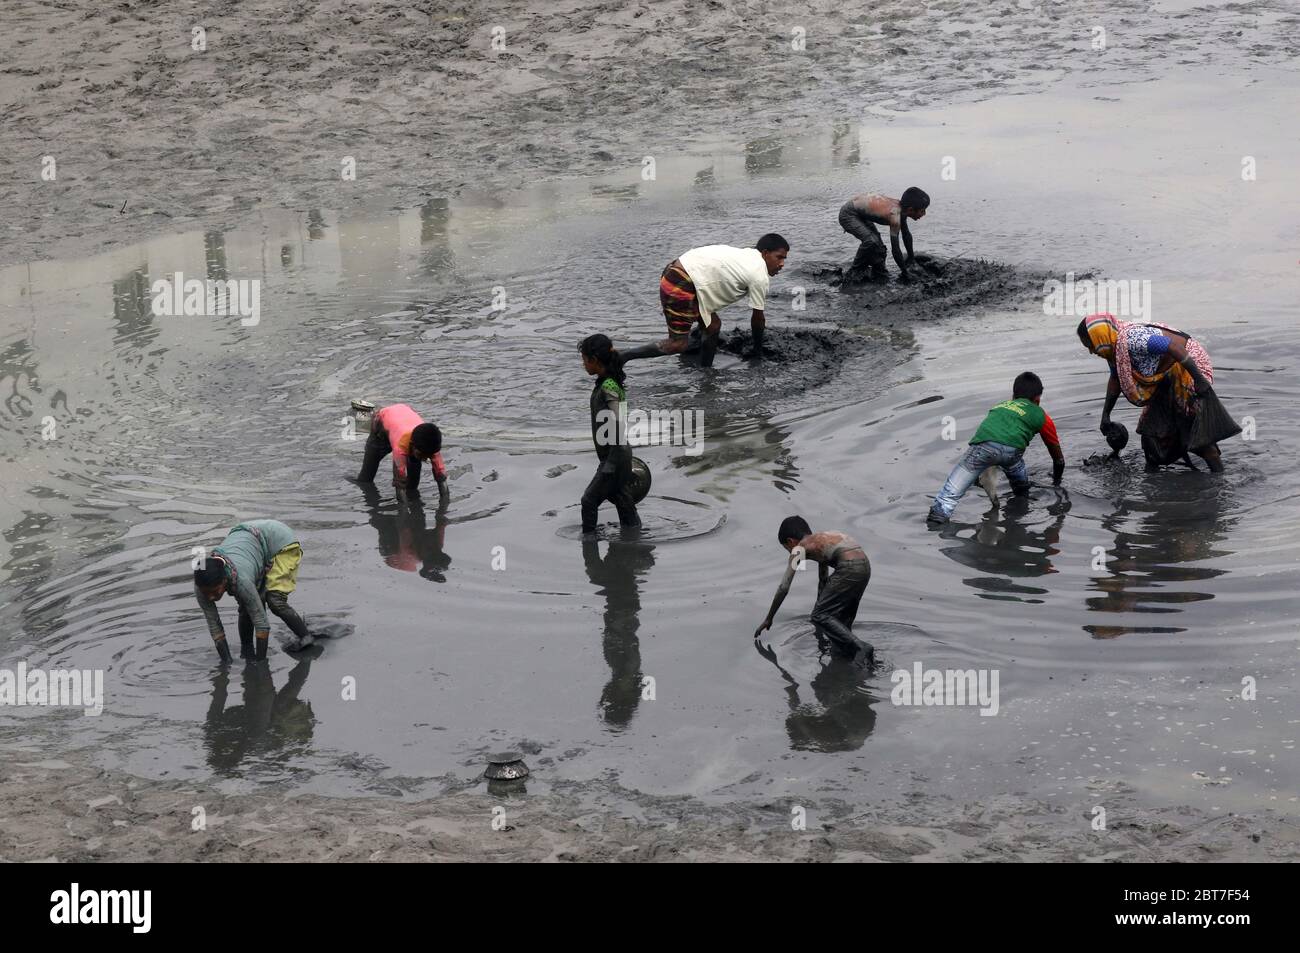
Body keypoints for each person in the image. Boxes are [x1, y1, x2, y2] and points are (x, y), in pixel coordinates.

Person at [1077, 313, 1226, 472]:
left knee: (1191, 429)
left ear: (1099, 336)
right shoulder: (1114, 349)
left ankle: (1218, 480)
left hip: (1187, 369)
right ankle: (1153, 483)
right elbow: (1115, 379)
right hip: (1165, 379)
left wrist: (1199, 380)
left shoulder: (1133, 338)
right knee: (1150, 435)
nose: (1091, 351)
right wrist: (1105, 415)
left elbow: (1174, 347)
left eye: (1090, 345)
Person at [620, 234, 789, 367]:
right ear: (765, 253)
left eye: (784, 259)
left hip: (677, 270)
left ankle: (706, 371)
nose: (781, 264)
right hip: (681, 281)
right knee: (678, 344)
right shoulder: (759, 275)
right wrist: (757, 352)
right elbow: (758, 320)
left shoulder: (747, 255)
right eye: (778, 257)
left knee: (712, 326)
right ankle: (624, 355)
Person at [927, 372, 1065, 524]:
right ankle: (1021, 498)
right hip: (1013, 454)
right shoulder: (1042, 416)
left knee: (948, 496)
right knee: (1020, 482)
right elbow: (1058, 459)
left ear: (1013, 395)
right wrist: (1056, 482)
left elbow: (990, 432)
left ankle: (936, 523)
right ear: (1038, 400)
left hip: (983, 449)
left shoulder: (999, 406)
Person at [754, 516, 873, 665]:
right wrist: (821, 606)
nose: (789, 552)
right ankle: (853, 661)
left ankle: (862, 648)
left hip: (848, 567)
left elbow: (784, 588)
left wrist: (769, 618)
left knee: (818, 615)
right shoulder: (820, 539)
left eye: (787, 548)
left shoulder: (798, 550)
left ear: (791, 542)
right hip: (864, 567)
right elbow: (823, 581)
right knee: (842, 622)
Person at [194, 519, 313, 661]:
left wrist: (260, 663)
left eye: (215, 591)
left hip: (278, 541)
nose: (211, 597)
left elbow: (262, 623)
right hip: (251, 542)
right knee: (247, 605)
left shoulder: (241, 580)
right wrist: (227, 662)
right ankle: (246, 649)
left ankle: (306, 637)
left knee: (275, 600)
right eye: (207, 593)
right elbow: (214, 626)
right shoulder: (201, 586)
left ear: (225, 580)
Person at [580, 333, 641, 535]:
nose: (583, 365)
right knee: (622, 501)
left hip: (614, 456)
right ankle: (634, 538)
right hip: (619, 455)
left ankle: (588, 544)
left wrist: (611, 465)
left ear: (594, 360)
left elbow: (619, 422)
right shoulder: (608, 381)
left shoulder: (608, 387)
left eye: (584, 360)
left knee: (589, 500)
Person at [354, 403, 449, 503]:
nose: (425, 459)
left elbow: (442, 479)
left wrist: (444, 511)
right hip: (381, 425)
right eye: (422, 455)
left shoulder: (431, 446)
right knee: (366, 478)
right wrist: (404, 515)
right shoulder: (400, 448)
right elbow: (399, 485)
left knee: (413, 483)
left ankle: (413, 501)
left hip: (404, 415)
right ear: (412, 445)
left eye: (428, 456)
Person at [838, 187, 929, 283]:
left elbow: (906, 235)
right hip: (848, 214)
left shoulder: (902, 211)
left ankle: (878, 272)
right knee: (871, 241)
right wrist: (905, 272)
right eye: (922, 211)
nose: (924, 214)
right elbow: (895, 249)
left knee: (880, 248)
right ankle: (854, 271)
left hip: (861, 214)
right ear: (911, 209)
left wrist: (911, 259)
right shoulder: (895, 216)